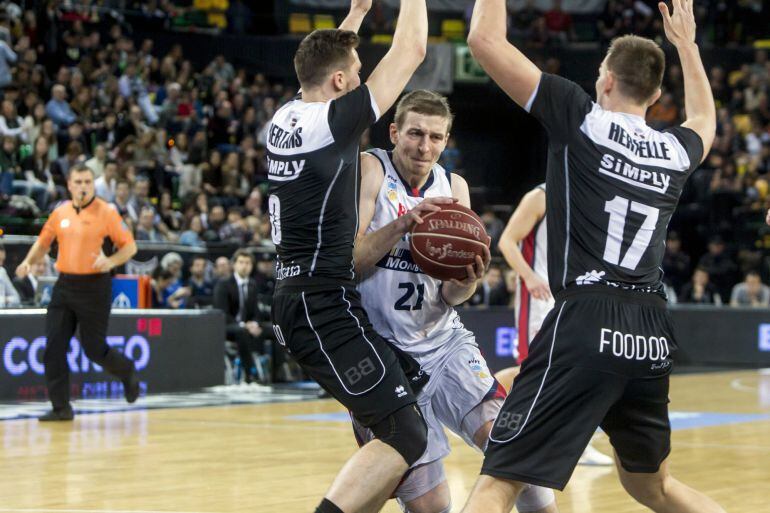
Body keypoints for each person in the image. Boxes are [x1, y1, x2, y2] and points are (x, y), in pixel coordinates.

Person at [463, 0, 726, 511]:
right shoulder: (674, 151)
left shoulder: (580, 115)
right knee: (654, 485)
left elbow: (485, 42)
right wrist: (688, 47)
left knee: (501, 477)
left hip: (586, 317)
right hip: (650, 329)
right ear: (654, 96)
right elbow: (705, 119)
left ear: (605, 80)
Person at [266, 1, 435, 512]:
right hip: (320, 303)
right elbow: (413, 49)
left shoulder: (286, 116)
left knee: (411, 393)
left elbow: (322, 59)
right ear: (340, 83)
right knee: (406, 432)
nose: (362, 80)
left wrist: (358, 12)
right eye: (357, 75)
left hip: (307, 298)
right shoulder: (336, 122)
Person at [352, 91, 556, 513]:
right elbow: (349, 263)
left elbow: (453, 295)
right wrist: (405, 224)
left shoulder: (454, 186)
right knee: (431, 503)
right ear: (394, 132)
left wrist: (468, 280)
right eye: (414, 133)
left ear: (447, 141)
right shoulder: (371, 169)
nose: (424, 146)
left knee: (515, 450)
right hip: (384, 356)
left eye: (435, 137)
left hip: (445, 343)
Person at [496, 185, 614, 467]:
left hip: (571, 297)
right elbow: (507, 242)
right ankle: (475, 405)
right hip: (538, 295)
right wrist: (529, 277)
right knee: (531, 369)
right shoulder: (540, 196)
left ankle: (576, 445)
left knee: (575, 370)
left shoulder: (585, 198)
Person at [15, 164, 140, 421]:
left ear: (93, 185)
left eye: (88, 182)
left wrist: (112, 261)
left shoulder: (107, 212)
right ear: (70, 185)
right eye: (79, 182)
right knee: (53, 347)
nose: (83, 186)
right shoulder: (60, 212)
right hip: (64, 286)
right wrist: (28, 262)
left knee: (94, 349)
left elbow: (130, 247)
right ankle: (61, 408)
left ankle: (126, 370)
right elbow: (42, 242)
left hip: (94, 288)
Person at [213, 249, 268, 384]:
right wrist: (244, 325)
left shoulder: (253, 284)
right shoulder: (224, 284)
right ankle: (250, 374)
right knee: (242, 331)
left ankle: (279, 374)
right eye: (241, 262)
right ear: (234, 265)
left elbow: (256, 312)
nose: (245, 266)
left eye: (248, 263)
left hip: (247, 326)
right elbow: (221, 313)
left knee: (276, 330)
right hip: (227, 327)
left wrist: (255, 323)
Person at [0, 243, 21, 308]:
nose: (1, 264)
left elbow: (16, 298)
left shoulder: (2, 272)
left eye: (2, 260)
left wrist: (4, 300)